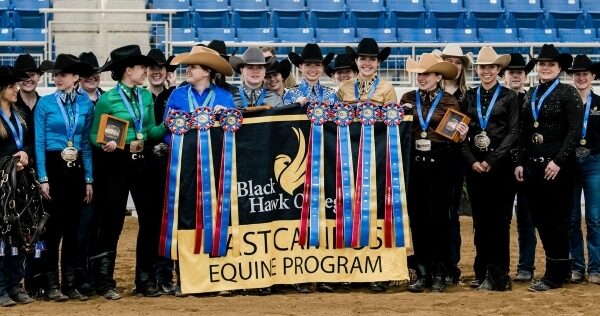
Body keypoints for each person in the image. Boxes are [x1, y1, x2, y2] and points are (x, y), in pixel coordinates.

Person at [89, 45, 164, 300]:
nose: (147, 71)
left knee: (150, 219)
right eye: (142, 67)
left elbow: (152, 131)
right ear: (128, 70)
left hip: (142, 159)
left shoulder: (146, 97)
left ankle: (145, 279)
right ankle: (104, 281)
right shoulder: (107, 100)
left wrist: (171, 123)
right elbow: (94, 136)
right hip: (116, 162)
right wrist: (105, 144)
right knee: (112, 221)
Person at [162, 45, 235, 295]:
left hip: (216, 167)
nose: (188, 70)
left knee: (218, 217)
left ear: (206, 71)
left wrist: (224, 119)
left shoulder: (224, 98)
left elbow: (235, 132)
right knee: (185, 218)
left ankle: (217, 276)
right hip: (185, 168)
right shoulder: (177, 96)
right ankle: (186, 278)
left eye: (193, 66)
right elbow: (168, 129)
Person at [514, 44, 581, 292]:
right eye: (542, 64)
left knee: (557, 220)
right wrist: (520, 161)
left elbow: (575, 131)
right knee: (541, 219)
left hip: (557, 168)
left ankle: (554, 273)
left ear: (559, 68)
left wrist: (559, 160)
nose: (545, 67)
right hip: (533, 166)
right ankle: (560, 268)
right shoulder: (532, 93)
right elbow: (524, 131)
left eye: (550, 64)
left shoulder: (568, 93)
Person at [402, 53, 468, 293]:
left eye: (427, 74)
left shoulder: (450, 101)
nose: (422, 78)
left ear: (438, 77)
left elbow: (456, 136)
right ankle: (422, 272)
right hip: (415, 165)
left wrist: (461, 132)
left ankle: (439, 272)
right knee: (418, 219)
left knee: (439, 219)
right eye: (420, 74)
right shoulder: (407, 98)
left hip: (441, 164)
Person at [34, 54, 95, 301]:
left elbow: (86, 144)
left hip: (76, 166)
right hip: (53, 165)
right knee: (52, 229)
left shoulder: (86, 105)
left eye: (64, 74)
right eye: (56, 74)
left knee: (73, 229)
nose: (58, 78)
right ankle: (50, 284)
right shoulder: (45, 104)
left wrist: (89, 178)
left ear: (76, 78)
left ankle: (69, 284)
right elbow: (39, 142)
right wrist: (43, 176)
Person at [462, 47, 519, 291]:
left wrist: (492, 159)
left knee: (499, 221)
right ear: (477, 69)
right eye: (482, 67)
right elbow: (459, 132)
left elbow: (513, 132)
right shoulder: (468, 97)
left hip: (501, 167)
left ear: (498, 70)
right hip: (475, 167)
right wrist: (472, 160)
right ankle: (481, 270)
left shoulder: (510, 97)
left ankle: (499, 274)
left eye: (491, 67)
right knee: (480, 222)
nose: (486, 71)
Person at [434, 44, 474, 284]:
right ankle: (436, 263)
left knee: (452, 214)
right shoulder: (430, 95)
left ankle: (451, 265)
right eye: (450, 62)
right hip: (435, 158)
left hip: (460, 159)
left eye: (459, 63)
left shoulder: (468, 97)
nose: (455, 66)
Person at [501, 53, 538, 283]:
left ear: (525, 75)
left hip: (526, 164)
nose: (516, 75)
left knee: (527, 218)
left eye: (520, 72)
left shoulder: (532, 99)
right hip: (501, 164)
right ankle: (499, 266)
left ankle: (526, 265)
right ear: (504, 75)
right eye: (511, 72)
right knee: (501, 219)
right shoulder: (497, 99)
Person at [0, 66, 35, 307]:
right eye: (12, 86)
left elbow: (32, 142)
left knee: (20, 234)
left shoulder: (21, 113)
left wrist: (25, 154)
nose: (17, 89)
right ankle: (1, 287)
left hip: (21, 184)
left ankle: (15, 284)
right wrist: (8, 162)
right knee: (2, 236)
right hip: (2, 185)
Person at [145, 48, 179, 295]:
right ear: (146, 71)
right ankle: (149, 275)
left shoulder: (175, 96)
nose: (157, 72)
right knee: (151, 222)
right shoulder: (140, 97)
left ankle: (166, 274)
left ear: (167, 72)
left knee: (172, 222)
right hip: (147, 167)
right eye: (152, 68)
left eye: (161, 68)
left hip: (174, 165)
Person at [566, 54, 600, 284]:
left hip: (594, 163)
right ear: (572, 77)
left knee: (595, 218)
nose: (581, 77)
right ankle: (576, 267)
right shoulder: (565, 103)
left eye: (585, 73)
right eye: (577, 74)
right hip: (569, 164)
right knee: (571, 218)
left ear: (593, 76)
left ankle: (596, 268)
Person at [337, 38, 396, 105]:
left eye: (372, 59)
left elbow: (392, 114)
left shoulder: (387, 88)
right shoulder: (345, 87)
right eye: (363, 58)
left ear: (378, 62)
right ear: (356, 61)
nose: (367, 63)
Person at [284, 43, 337, 108]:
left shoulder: (332, 94)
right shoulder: (289, 93)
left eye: (317, 65)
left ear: (322, 67)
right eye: (308, 65)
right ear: (300, 67)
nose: (313, 69)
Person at [13, 54, 43, 130]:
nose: (28, 79)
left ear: (38, 77)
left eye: (32, 75)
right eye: (23, 76)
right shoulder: (10, 105)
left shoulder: (45, 104)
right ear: (17, 79)